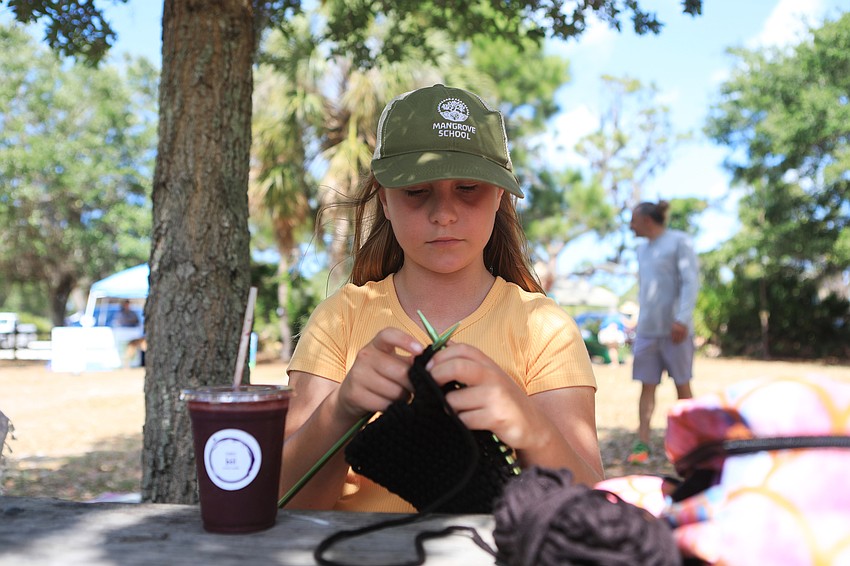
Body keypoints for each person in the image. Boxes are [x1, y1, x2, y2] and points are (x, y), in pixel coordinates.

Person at [279, 84, 604, 512]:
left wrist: (530, 425)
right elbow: (285, 504)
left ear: (500, 196)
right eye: (416, 192)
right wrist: (342, 410)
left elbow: (594, 511)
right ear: (386, 203)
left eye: (468, 188)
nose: (444, 213)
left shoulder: (545, 328)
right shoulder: (338, 320)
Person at [627, 200, 699, 464]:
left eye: (633, 220)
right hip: (647, 331)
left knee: (682, 386)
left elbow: (690, 282)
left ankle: (694, 443)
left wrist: (682, 319)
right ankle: (642, 443)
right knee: (647, 387)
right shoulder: (641, 250)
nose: (630, 225)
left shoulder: (679, 241)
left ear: (647, 220)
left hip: (675, 330)